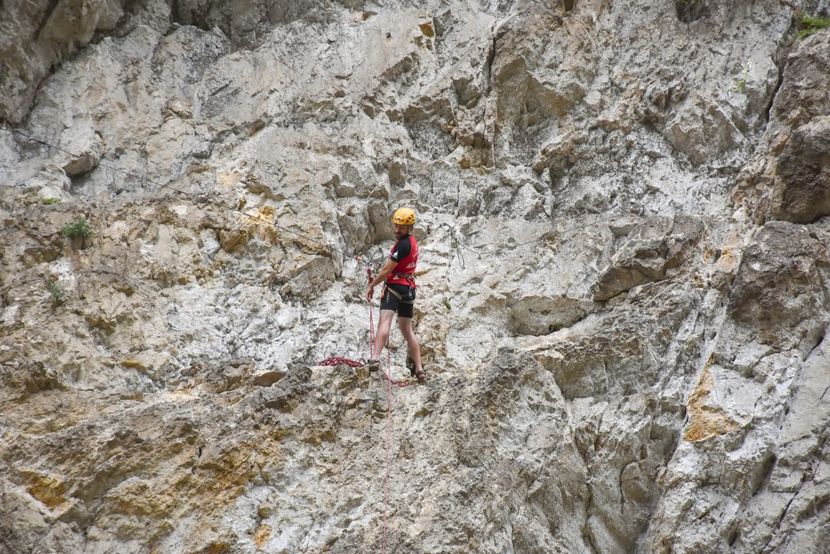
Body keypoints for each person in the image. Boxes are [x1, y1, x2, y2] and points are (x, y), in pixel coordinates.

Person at [364, 207, 425, 382]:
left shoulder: (403, 244)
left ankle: (375, 358)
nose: (398, 230)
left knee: (385, 322)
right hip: (409, 290)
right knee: (407, 330)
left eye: (402, 228)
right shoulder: (412, 242)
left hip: (395, 287)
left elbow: (386, 270)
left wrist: (372, 285)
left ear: (410, 227)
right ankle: (420, 369)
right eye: (396, 226)